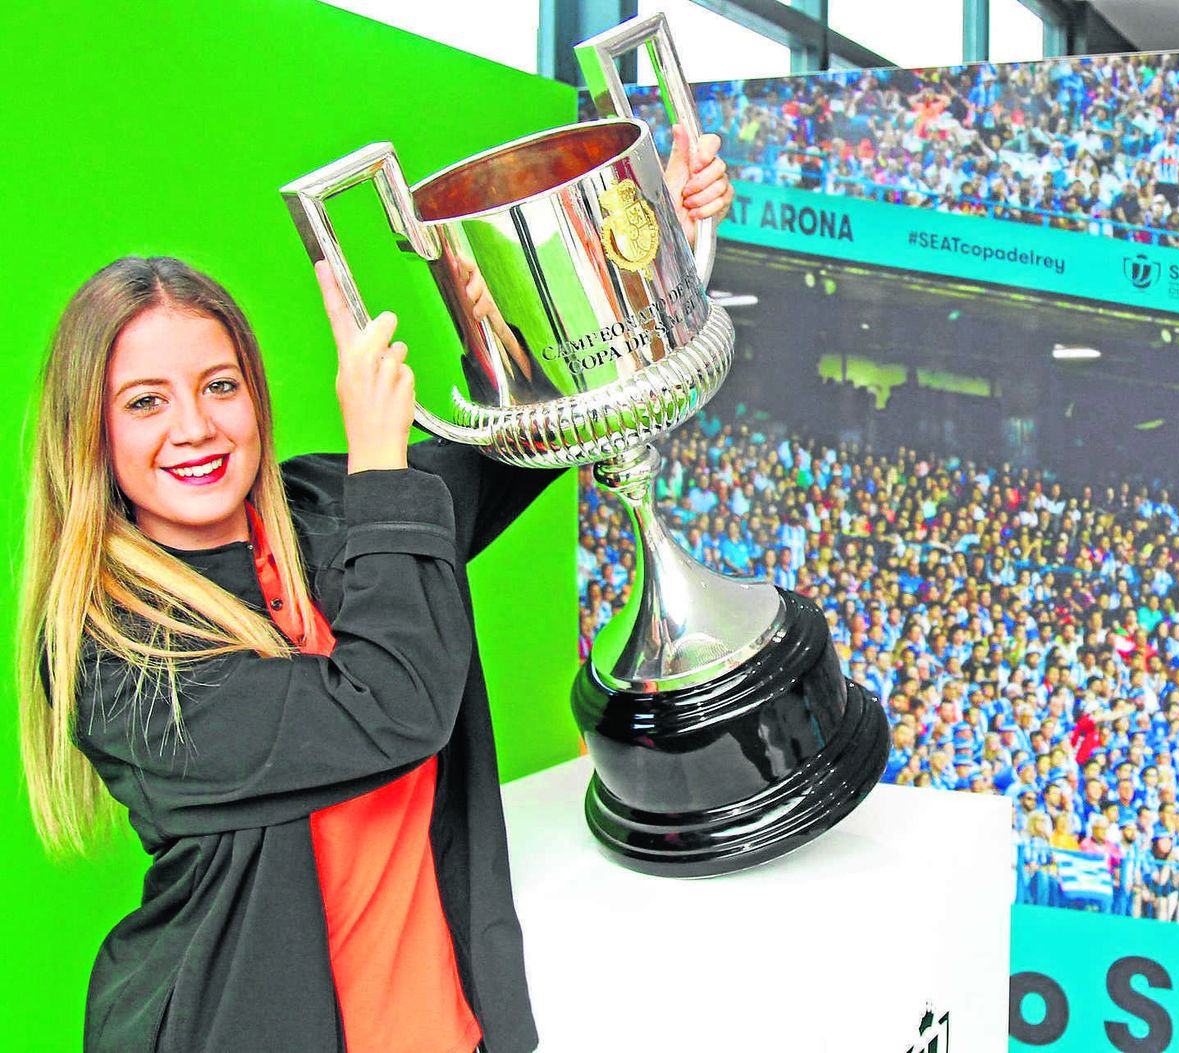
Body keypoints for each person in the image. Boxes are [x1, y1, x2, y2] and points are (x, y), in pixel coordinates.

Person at [18, 129, 734, 1053]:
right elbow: (394, 709)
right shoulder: (106, 651)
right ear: (93, 433)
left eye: (219, 384)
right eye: (145, 401)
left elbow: (538, 437)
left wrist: (641, 260)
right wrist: (382, 465)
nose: (194, 426)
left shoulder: (330, 508)